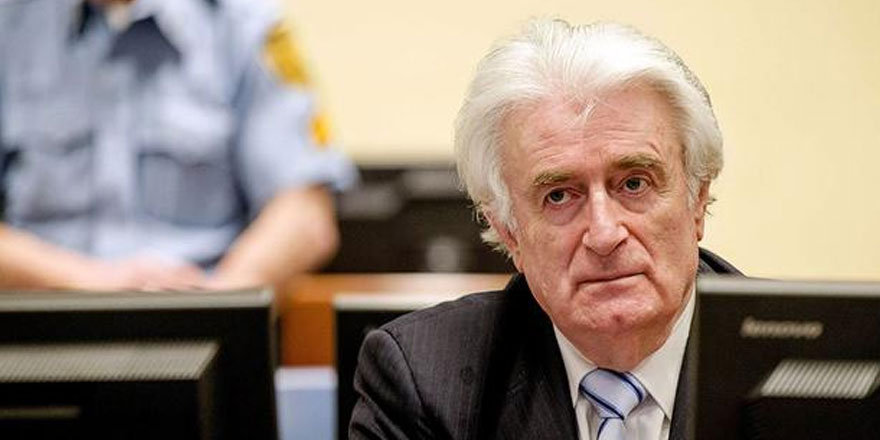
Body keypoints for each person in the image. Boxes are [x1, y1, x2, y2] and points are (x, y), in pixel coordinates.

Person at [349, 19, 742, 440]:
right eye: (559, 195)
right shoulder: (424, 383)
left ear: (697, 198)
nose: (604, 234)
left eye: (634, 184)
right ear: (509, 231)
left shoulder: (788, 360)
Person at [0, 0, 356, 290]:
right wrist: (86, 282)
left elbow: (304, 215)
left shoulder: (243, 26)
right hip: (40, 328)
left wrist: (216, 305)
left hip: (203, 324)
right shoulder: (10, 27)